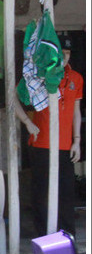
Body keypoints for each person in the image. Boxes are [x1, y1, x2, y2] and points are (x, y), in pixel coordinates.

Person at [14, 33, 83, 237]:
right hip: (41, 142)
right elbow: (13, 97)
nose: (65, 56)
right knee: (42, 191)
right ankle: (44, 234)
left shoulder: (76, 78)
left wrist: (77, 140)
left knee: (66, 190)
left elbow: (76, 110)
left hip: (65, 143)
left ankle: (66, 234)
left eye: (68, 52)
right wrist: (26, 122)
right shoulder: (39, 76)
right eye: (61, 52)